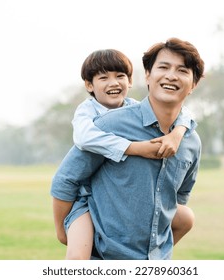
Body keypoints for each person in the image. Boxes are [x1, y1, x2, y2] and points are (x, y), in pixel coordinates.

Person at [51, 37, 204, 259]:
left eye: (182, 70)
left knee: (186, 216)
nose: (171, 75)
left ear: (193, 84)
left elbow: (177, 199)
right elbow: (65, 180)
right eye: (163, 67)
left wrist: (179, 131)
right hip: (105, 256)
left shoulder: (191, 141)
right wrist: (64, 229)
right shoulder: (107, 124)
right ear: (148, 76)